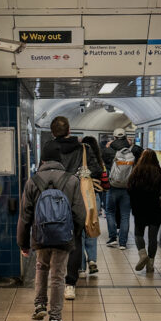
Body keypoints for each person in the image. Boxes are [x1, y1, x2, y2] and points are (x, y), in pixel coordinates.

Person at [17, 141, 85, 321]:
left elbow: (25, 216)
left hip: (41, 236)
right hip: (64, 237)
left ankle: (39, 304)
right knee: (58, 275)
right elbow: (80, 214)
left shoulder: (33, 181)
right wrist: (74, 234)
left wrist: (23, 243)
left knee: (41, 268)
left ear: (43, 159)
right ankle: (55, 317)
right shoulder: (71, 180)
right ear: (60, 159)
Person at [49, 116, 102, 300]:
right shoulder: (83, 149)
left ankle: (57, 278)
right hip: (78, 197)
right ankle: (70, 284)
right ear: (69, 130)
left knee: (55, 239)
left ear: (52, 131)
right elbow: (96, 170)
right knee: (76, 239)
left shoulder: (49, 148)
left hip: (54, 199)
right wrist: (81, 174)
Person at [127, 149, 161, 273]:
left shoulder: (136, 172)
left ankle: (142, 255)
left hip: (139, 207)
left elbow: (129, 189)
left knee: (138, 233)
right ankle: (150, 263)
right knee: (153, 237)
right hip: (155, 208)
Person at [103, 127, 143, 249]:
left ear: (114, 137)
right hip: (128, 187)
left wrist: (108, 147)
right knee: (125, 215)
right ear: (126, 137)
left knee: (110, 212)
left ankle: (113, 238)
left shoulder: (110, 150)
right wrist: (132, 145)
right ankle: (123, 243)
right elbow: (143, 153)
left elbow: (103, 157)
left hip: (113, 185)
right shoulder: (133, 150)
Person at [79, 135, 106, 276]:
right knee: (92, 226)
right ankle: (92, 260)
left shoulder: (79, 156)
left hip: (80, 198)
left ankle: (82, 266)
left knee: (81, 231)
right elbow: (101, 173)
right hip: (94, 197)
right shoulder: (98, 160)